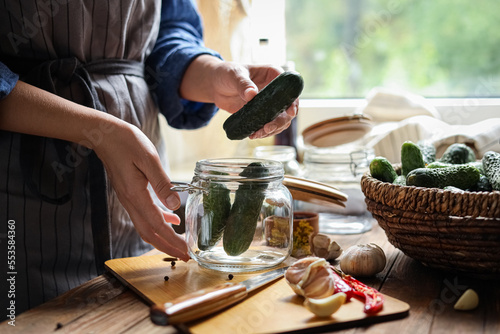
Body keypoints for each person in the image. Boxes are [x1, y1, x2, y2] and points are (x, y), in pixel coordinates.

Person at [0, 0, 298, 315]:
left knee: (134, 311)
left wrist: (211, 75)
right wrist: (98, 130)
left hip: (137, 202)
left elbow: (168, 28)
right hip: (22, 208)